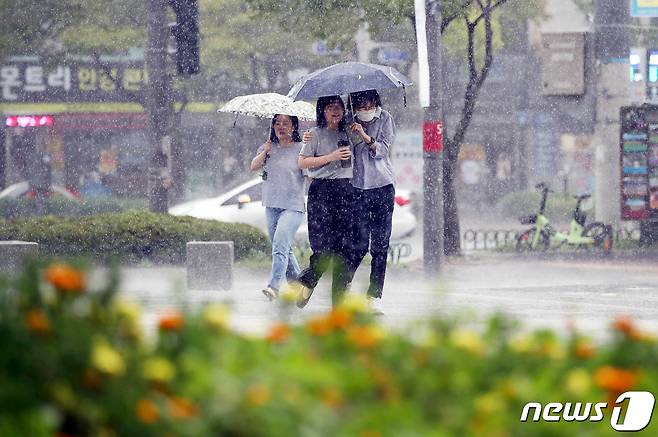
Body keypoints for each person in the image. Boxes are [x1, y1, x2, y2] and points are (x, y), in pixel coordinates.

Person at [295, 96, 353, 308]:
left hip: (346, 190)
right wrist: (332, 156)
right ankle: (309, 282)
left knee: (343, 250)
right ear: (322, 110)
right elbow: (302, 162)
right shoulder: (314, 134)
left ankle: (338, 302)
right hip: (322, 190)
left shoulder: (349, 131)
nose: (336, 111)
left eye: (339, 107)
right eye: (330, 107)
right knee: (322, 247)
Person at [346, 89, 396, 314]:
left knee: (380, 246)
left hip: (383, 187)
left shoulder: (385, 118)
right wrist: (352, 133)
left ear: (376, 102)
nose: (366, 109)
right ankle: (344, 284)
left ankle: (373, 296)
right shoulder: (348, 122)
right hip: (358, 188)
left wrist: (365, 136)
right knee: (358, 244)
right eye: (361, 106)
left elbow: (383, 150)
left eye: (370, 104)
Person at [250, 114, 306, 300]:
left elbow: (311, 173)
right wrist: (265, 151)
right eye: (277, 123)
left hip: (293, 206)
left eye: (286, 123)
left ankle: (274, 286)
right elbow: (254, 166)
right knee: (283, 247)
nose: (280, 127)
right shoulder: (268, 147)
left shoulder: (301, 149)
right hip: (271, 205)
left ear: (294, 126)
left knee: (280, 245)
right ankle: (298, 285)